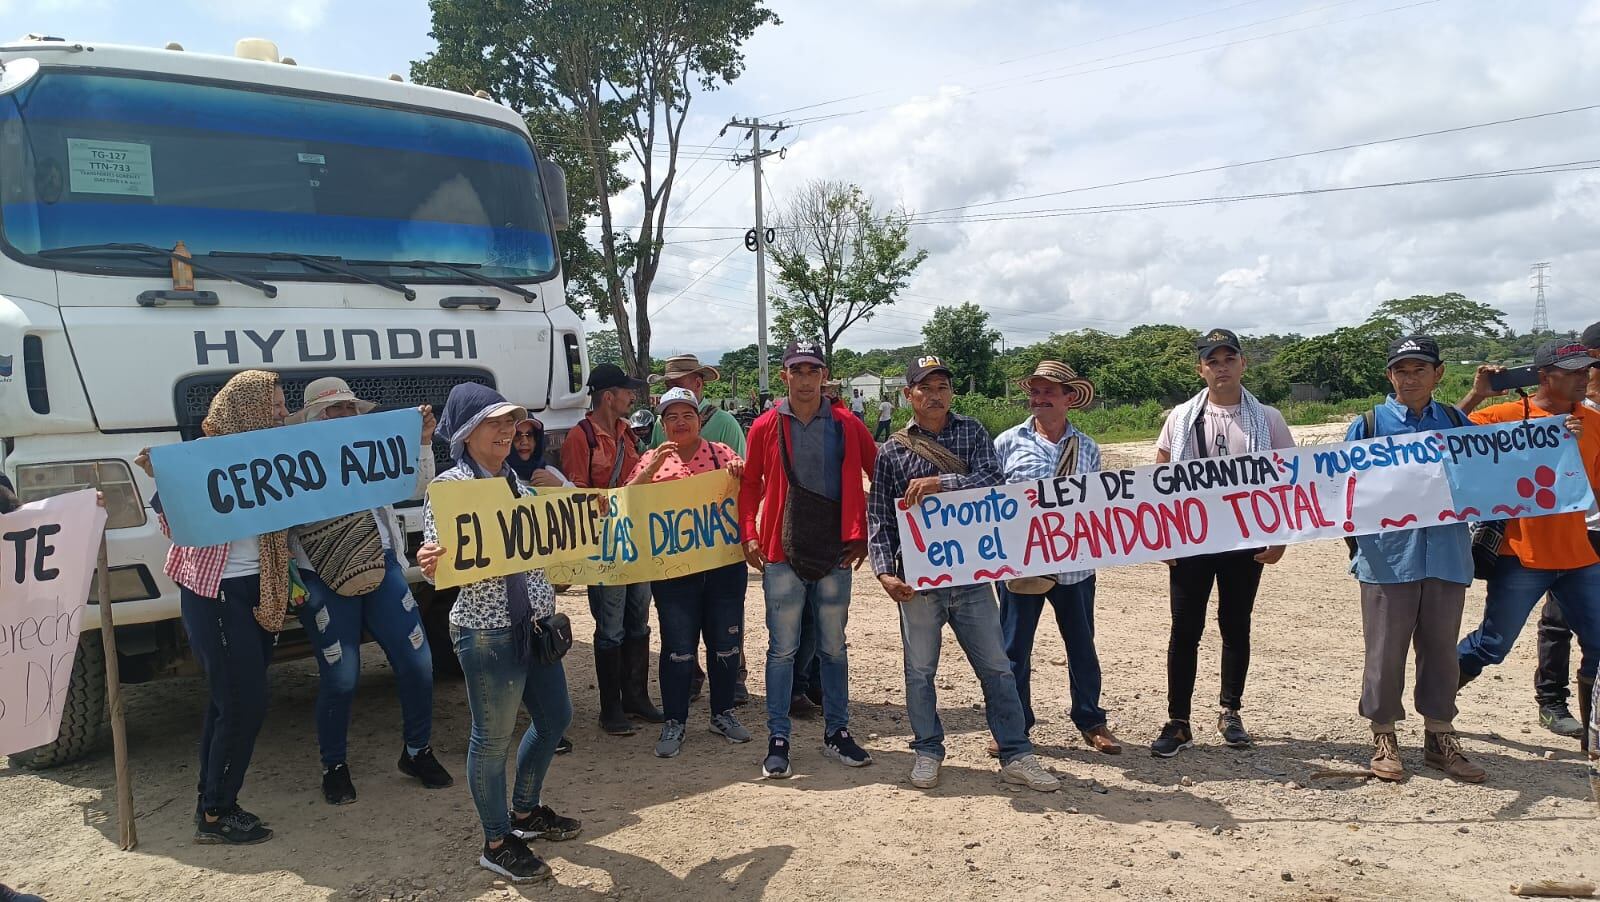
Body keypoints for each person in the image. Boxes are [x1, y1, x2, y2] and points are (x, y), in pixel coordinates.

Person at [868, 355, 1060, 792]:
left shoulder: (972, 432)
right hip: (918, 582)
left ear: (951, 393)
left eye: (942, 387)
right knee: (920, 671)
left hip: (973, 577)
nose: (935, 396)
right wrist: (883, 572)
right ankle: (928, 749)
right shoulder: (892, 451)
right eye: (925, 388)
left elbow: (995, 479)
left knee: (997, 667)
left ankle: (1016, 752)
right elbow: (879, 515)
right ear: (908, 395)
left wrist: (943, 484)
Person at [417, 383, 580, 884]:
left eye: (512, 422)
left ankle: (525, 813)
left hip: (534, 628)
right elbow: (437, 557)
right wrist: (430, 563)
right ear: (466, 433)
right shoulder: (448, 491)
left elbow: (551, 557)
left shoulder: (524, 488)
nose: (508, 430)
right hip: (486, 633)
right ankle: (495, 841)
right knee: (490, 740)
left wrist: (575, 541)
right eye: (496, 422)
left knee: (555, 717)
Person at [135, 370, 290, 844]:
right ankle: (217, 812)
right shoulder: (197, 462)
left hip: (257, 590)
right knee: (243, 703)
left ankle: (213, 804)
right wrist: (165, 479)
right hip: (215, 592)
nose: (284, 413)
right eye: (276, 405)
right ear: (249, 410)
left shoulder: (280, 456)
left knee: (232, 703)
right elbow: (175, 528)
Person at [283, 377, 452, 804]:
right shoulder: (293, 462)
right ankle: (334, 764)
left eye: (347, 409)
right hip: (321, 570)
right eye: (332, 410)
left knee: (418, 662)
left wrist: (425, 442)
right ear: (312, 419)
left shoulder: (370, 452)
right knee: (341, 675)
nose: (342, 416)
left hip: (380, 561)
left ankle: (417, 750)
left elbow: (414, 487)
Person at [1343, 337, 1484, 782]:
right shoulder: (1368, 425)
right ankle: (1383, 733)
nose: (1409, 377)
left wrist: (1556, 439)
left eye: (1419, 369)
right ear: (1389, 376)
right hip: (1388, 558)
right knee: (1385, 652)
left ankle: (1440, 735)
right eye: (1401, 370)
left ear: (1438, 374)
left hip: (1446, 552)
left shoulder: (1458, 422)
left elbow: (1494, 468)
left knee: (1442, 652)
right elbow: (1339, 491)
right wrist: (1358, 549)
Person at [1148, 329, 1295, 758]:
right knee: (1185, 629)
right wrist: (1163, 535)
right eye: (1213, 361)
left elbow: (1288, 478)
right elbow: (1160, 472)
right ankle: (1178, 721)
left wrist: (1281, 535)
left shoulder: (1268, 418)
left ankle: (1230, 711)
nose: (1222, 367)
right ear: (1201, 368)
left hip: (1246, 538)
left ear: (1243, 364)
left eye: (1229, 359)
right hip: (1190, 537)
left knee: (1236, 624)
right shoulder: (1180, 416)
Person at [741, 339, 878, 779]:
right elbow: (751, 486)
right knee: (782, 650)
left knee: (833, 648)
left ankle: (837, 732)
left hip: (836, 551)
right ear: (785, 376)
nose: (805, 379)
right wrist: (749, 534)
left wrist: (866, 536)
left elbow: (880, 474)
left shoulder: (847, 424)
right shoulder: (763, 426)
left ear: (824, 375)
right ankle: (778, 738)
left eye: (812, 370)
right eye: (797, 371)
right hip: (782, 551)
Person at [1456, 340, 1600, 754]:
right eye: (1571, 372)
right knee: (1493, 645)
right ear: (1543, 377)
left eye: (1584, 371)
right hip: (1521, 555)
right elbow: (1439, 437)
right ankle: (1437, 696)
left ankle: (1593, 736)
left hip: (1579, 554)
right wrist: (1478, 394)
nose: (1581, 379)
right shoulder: (1503, 416)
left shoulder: (1592, 424)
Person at [992, 361, 1122, 758]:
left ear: (1070, 399)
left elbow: (1097, 504)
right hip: (1020, 562)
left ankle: (1091, 719)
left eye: (1049, 391)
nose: (1040, 398)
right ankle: (1015, 726)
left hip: (1075, 565)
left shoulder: (1088, 448)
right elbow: (990, 502)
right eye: (1035, 391)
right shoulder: (1006, 443)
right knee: (1014, 648)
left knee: (1081, 643)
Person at [627, 387, 752, 757]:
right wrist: (648, 472)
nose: (681, 423)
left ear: (700, 420)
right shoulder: (652, 458)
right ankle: (675, 720)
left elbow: (750, 491)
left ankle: (723, 713)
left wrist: (740, 473)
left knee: (726, 645)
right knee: (678, 648)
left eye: (688, 415)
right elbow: (626, 503)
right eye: (672, 417)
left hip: (723, 567)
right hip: (674, 572)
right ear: (663, 424)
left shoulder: (721, 453)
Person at [560, 363, 662, 735]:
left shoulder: (627, 434)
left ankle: (635, 696)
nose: (631, 396)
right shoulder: (580, 438)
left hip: (633, 540)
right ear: (609, 396)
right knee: (611, 627)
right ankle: (611, 707)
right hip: (604, 547)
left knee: (638, 618)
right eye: (626, 391)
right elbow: (576, 495)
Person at [1531, 322, 1600, 739]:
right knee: (1559, 622)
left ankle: (1589, 718)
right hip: (1577, 532)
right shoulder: (1570, 416)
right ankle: (1553, 701)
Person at [647, 354, 747, 455]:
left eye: (677, 385)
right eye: (668, 387)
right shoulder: (660, 423)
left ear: (698, 384)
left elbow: (740, 466)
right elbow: (653, 461)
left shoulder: (725, 423)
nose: (673, 391)